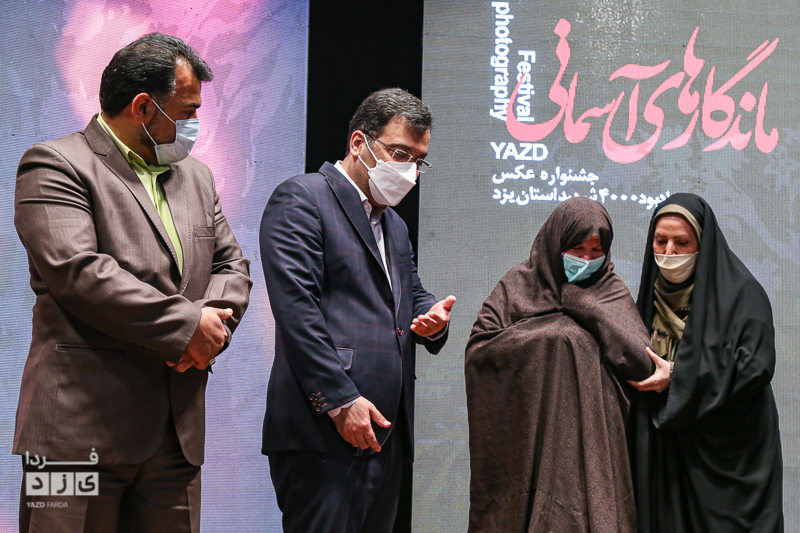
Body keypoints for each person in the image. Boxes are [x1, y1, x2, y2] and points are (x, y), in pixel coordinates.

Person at [13, 33, 252, 532]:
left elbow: (233, 267)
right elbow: (80, 272)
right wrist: (188, 328)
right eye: (188, 111)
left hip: (174, 437)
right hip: (76, 435)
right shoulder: (55, 163)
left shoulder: (197, 177)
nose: (196, 123)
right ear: (143, 107)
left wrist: (210, 331)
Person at [260, 87, 456, 533]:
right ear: (358, 143)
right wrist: (340, 401)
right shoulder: (302, 198)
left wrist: (433, 319)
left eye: (419, 160)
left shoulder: (394, 224)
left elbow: (410, 294)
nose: (409, 170)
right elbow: (296, 310)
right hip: (325, 429)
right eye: (400, 153)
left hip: (384, 431)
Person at [465, 197, 655, 533]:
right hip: (528, 448)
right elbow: (480, 351)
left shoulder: (609, 291)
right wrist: (554, 336)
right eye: (577, 249)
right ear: (557, 242)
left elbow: (643, 361)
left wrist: (585, 304)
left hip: (596, 447)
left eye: (596, 251)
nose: (586, 260)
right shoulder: (518, 285)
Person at [628, 193, 783, 532]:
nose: (669, 252)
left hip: (731, 455)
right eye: (660, 240)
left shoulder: (743, 295)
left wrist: (679, 377)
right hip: (671, 456)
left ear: (703, 242)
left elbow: (756, 367)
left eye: (682, 243)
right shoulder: (650, 297)